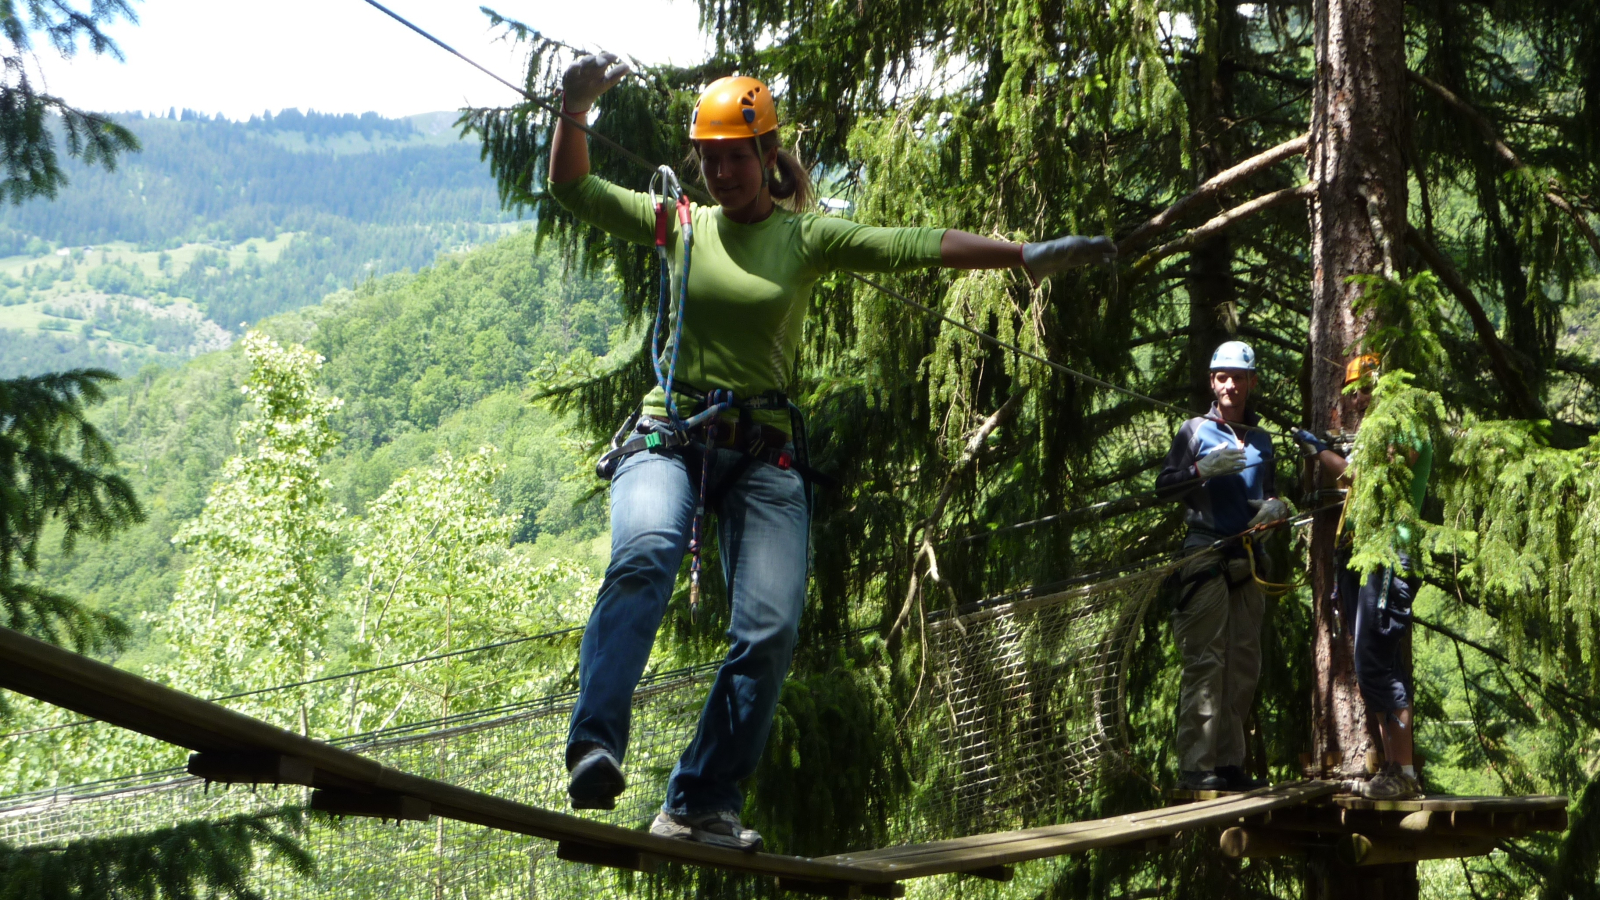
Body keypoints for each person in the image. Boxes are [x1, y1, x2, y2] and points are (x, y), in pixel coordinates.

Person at [549, 54, 1117, 851]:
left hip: (765, 450)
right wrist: (574, 111)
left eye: (736, 157)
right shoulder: (678, 224)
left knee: (771, 627)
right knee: (644, 555)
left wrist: (1019, 255)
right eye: (709, 159)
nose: (721, 173)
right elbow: (572, 188)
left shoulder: (805, 238)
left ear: (769, 156)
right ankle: (595, 746)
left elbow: (909, 244)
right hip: (668, 438)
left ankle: (701, 801)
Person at [1293, 354, 1430, 800]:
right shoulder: (1376, 433)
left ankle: (1404, 772)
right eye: (1352, 391)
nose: (1358, 399)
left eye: (1365, 389)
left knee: (1376, 660)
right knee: (1370, 662)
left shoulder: (1403, 425)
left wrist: (1322, 453)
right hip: (1361, 556)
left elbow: (1366, 477)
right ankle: (1393, 766)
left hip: (1388, 555)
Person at [1154, 340, 1287, 792]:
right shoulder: (1195, 430)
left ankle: (1230, 764)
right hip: (1205, 553)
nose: (1230, 384)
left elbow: (1267, 491)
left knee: (1243, 664)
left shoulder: (1262, 441)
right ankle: (1196, 767)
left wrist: (1276, 509)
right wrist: (1200, 471)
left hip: (1248, 557)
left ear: (1251, 382)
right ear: (1213, 381)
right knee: (1206, 663)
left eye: (1239, 377)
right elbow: (1164, 486)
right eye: (1222, 377)